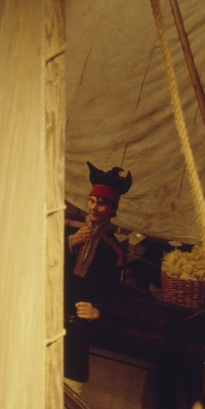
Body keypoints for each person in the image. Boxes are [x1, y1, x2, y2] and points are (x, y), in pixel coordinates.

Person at [64, 162, 132, 385]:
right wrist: (69, 243)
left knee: (71, 382)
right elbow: (40, 257)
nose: (93, 207)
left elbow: (110, 289)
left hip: (78, 324)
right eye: (91, 201)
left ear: (113, 209)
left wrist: (97, 309)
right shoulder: (67, 229)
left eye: (101, 203)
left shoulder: (114, 250)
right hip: (49, 312)